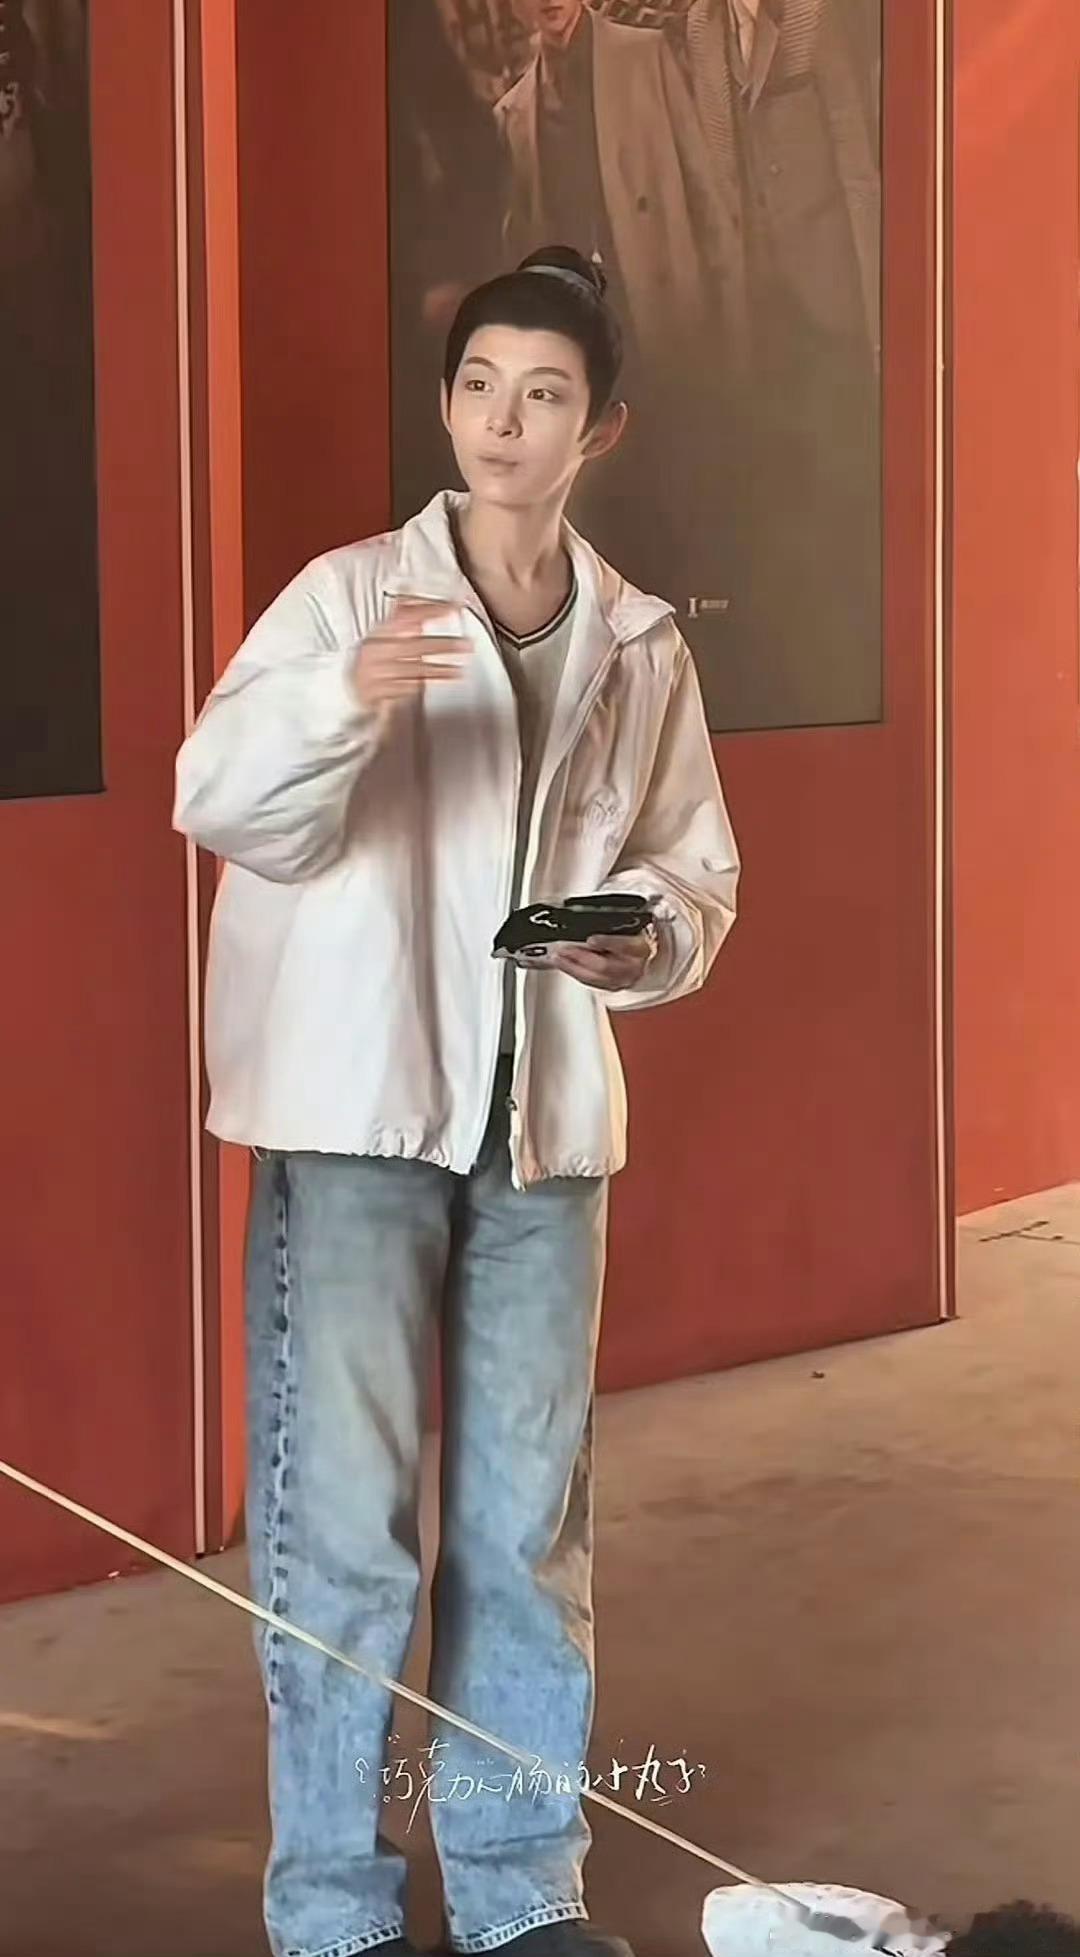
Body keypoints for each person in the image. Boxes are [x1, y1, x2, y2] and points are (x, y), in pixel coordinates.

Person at [173, 245, 739, 1957]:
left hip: (544, 1132)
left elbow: (694, 869)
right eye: (480, 383)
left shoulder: (637, 642)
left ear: (599, 429)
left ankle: (518, 1896)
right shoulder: (349, 599)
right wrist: (341, 701)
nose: (505, 419)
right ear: (446, 406)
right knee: (345, 1538)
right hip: (355, 1123)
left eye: (544, 393)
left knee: (525, 1528)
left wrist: (646, 940)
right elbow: (219, 799)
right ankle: (333, 1908)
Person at [681, 0, 884, 731]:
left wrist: (878, 307)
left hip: (832, 292)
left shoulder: (813, 14)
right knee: (775, 481)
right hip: (758, 301)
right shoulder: (700, 28)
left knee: (844, 473)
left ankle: (856, 650)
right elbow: (714, 172)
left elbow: (857, 163)